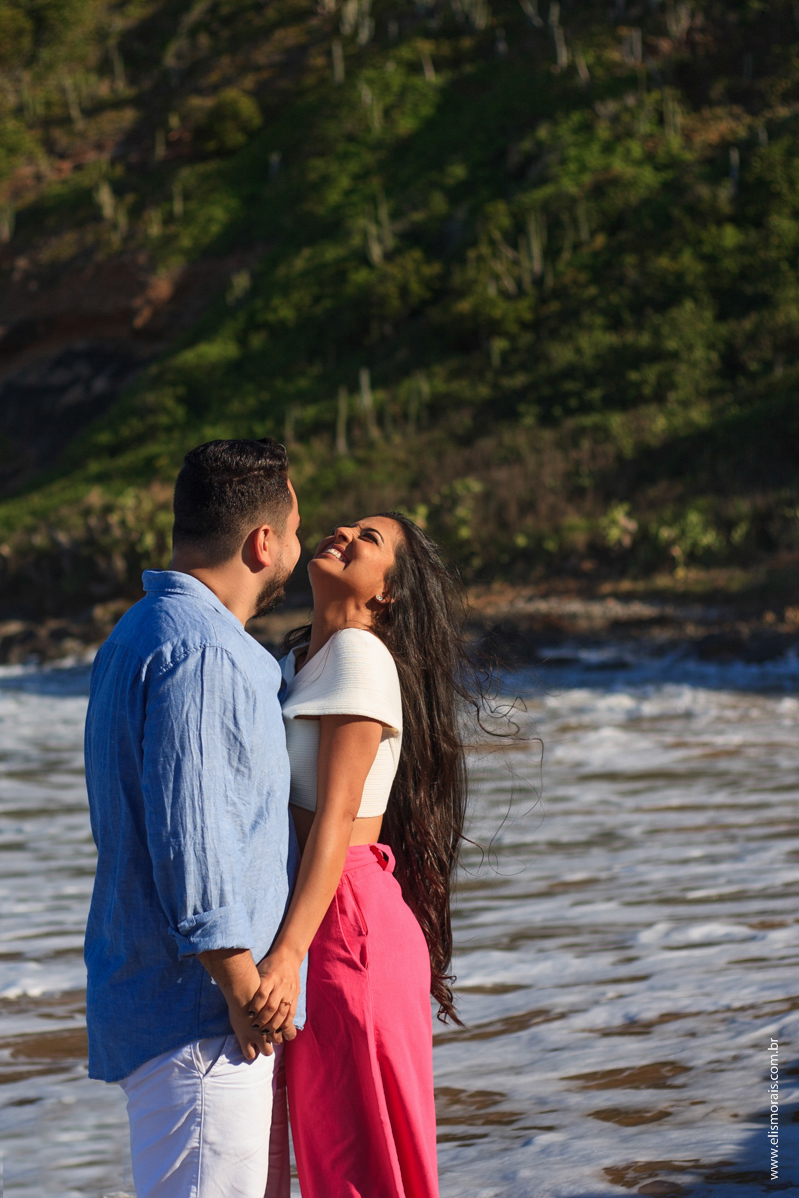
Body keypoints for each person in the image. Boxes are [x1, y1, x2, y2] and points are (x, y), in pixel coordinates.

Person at [83, 438, 305, 1198]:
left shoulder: (138, 632)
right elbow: (193, 838)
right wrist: (246, 991)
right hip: (204, 1016)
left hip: (172, 1002)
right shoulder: (203, 651)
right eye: (297, 530)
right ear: (262, 542)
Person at [250, 511, 479, 1198]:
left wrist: (286, 954)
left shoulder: (358, 654)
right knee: (332, 1167)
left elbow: (336, 818)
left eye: (367, 539)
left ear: (388, 594)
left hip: (345, 920)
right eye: (345, 526)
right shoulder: (299, 664)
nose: (343, 535)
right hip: (324, 914)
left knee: (360, 1173)